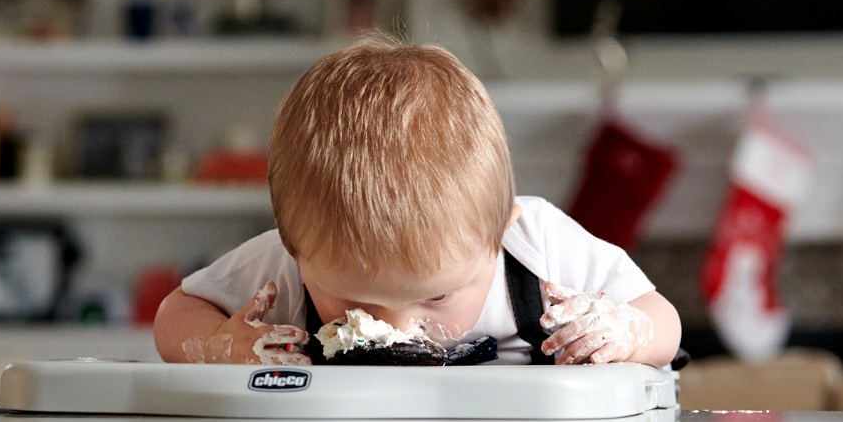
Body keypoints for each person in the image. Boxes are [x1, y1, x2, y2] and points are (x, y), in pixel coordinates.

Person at [153, 35, 681, 368]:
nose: (400, 333)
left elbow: (660, 315)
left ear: (499, 232)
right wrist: (220, 346)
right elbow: (176, 314)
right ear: (294, 246)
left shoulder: (537, 247)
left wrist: (627, 334)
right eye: (356, 303)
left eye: (437, 297)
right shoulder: (287, 264)